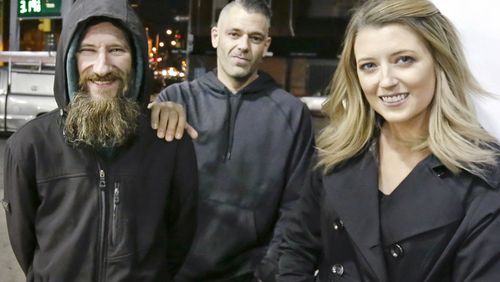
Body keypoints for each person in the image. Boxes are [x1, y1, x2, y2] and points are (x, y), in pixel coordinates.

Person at [278, 0, 500, 281]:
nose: (385, 81)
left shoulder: (483, 174)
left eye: (404, 60)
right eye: (369, 66)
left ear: (440, 62)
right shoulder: (337, 152)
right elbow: (295, 249)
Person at [2, 0, 198, 281]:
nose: (102, 66)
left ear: (137, 60)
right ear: (70, 58)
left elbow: (179, 239)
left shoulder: (169, 142)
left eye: (117, 50)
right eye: (88, 51)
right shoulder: (28, 146)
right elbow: (25, 243)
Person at [151, 0, 315, 281]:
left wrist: (267, 271)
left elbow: (296, 207)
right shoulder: (175, 101)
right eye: (234, 34)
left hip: (250, 274)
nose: (243, 46)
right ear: (216, 37)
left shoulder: (292, 113)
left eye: (255, 38)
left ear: (266, 45)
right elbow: (147, 192)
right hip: (174, 272)